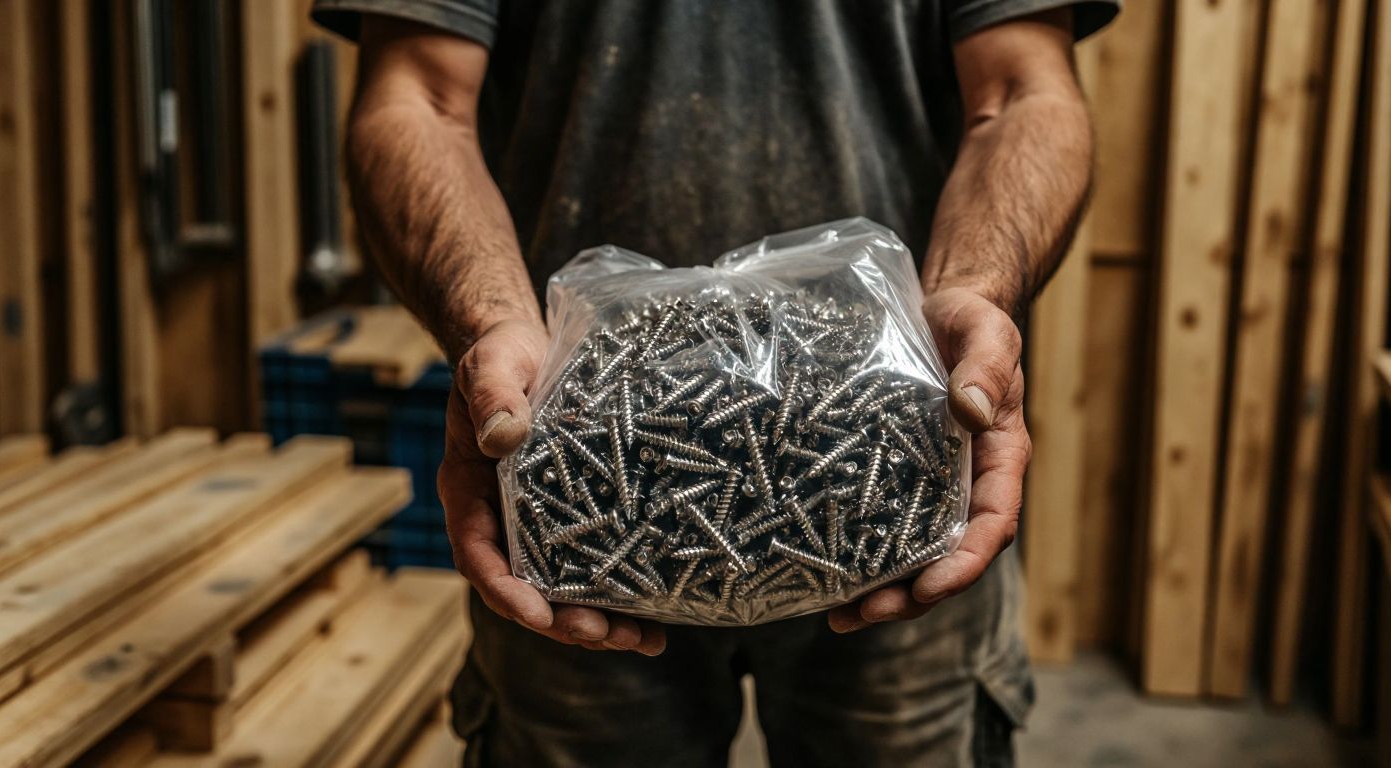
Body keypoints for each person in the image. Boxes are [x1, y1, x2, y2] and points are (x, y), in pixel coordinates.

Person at [314, 1, 1118, 764]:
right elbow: (417, 97)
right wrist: (489, 326)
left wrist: (973, 294)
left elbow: (1022, 93)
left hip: (894, 466)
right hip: (579, 475)